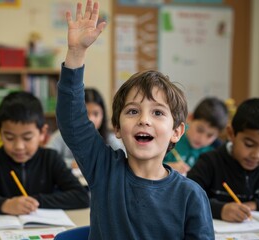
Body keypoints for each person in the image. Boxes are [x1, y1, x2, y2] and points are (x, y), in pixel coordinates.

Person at [55, 1, 214, 238]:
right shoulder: (104, 170)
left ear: (177, 131)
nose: (144, 120)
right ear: (117, 128)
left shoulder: (191, 195)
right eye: (132, 111)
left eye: (158, 112)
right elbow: (72, 121)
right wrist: (76, 53)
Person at [0, 91, 89, 215]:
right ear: (0, 132)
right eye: (10, 138)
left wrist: (34, 202)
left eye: (27, 138)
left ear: (42, 133)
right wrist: (5, 205)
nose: (18, 146)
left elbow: (81, 197)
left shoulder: (50, 158)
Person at [46, 87, 125, 169]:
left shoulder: (110, 138)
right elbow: (47, 158)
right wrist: (71, 163)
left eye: (96, 114)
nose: (91, 119)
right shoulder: (62, 135)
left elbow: (124, 159)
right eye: (85, 113)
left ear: (103, 115)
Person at [164, 97, 228, 175]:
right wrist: (167, 167)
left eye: (210, 135)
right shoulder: (171, 137)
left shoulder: (212, 152)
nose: (202, 139)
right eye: (199, 130)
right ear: (190, 118)